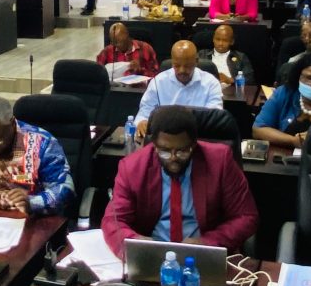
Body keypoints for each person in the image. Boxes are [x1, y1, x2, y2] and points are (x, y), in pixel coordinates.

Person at [101, 105, 258, 256]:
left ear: (194, 144)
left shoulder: (220, 161)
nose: (173, 159)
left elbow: (246, 216)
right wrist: (137, 242)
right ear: (154, 146)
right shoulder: (132, 167)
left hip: (203, 253)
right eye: (165, 151)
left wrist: (208, 242)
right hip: (153, 254)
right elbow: (113, 221)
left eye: (182, 151)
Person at [135, 41, 223, 141]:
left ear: (196, 61)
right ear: (172, 62)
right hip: (165, 139)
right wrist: (142, 121)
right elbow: (145, 110)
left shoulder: (211, 83)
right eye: (177, 65)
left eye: (187, 66)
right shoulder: (158, 82)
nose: (182, 70)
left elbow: (214, 117)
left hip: (199, 138)